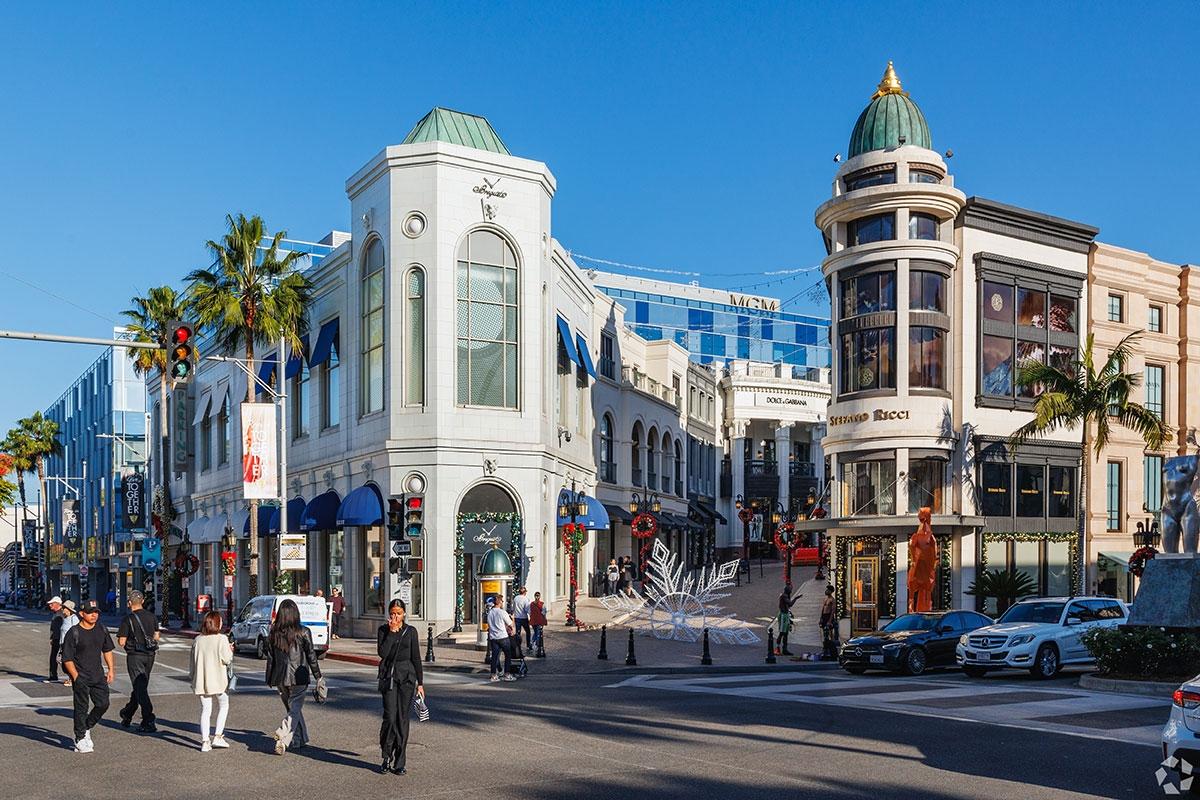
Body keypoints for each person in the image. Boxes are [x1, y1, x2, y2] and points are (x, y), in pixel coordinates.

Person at [265, 598, 322, 754]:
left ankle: (298, 739)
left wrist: (269, 678)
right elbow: (311, 656)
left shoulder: (273, 632)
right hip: (299, 676)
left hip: (280, 677)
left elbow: (270, 657)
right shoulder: (303, 631)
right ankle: (283, 734)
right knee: (294, 710)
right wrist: (318, 677)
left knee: (293, 709)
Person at [376, 599, 424, 775]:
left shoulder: (411, 632)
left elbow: (416, 658)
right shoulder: (383, 630)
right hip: (389, 677)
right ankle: (386, 755)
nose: (395, 616)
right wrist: (391, 633)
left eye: (398, 613)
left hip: (407, 678)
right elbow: (382, 653)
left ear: (404, 613)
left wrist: (421, 683)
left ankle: (400, 762)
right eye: (392, 613)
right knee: (390, 716)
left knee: (402, 719)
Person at [61, 600, 114, 752]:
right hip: (81, 677)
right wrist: (75, 677)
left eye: (96, 612)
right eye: (91, 612)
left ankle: (86, 726)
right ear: (82, 614)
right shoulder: (74, 632)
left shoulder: (101, 629)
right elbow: (67, 658)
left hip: (98, 676)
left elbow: (107, 650)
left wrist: (111, 669)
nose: (94, 615)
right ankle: (79, 738)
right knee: (81, 708)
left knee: (103, 704)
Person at [116, 590, 160, 732]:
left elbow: (121, 641)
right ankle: (127, 713)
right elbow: (157, 636)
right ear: (142, 601)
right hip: (150, 655)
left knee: (140, 687)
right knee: (140, 685)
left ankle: (148, 719)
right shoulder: (152, 617)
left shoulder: (128, 619)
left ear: (129, 603)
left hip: (135, 655)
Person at [190, 610, 234, 752]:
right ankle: (218, 736)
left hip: (202, 680)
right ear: (216, 623)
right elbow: (227, 659)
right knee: (224, 705)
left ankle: (205, 741)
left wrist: (193, 678)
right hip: (218, 680)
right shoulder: (221, 639)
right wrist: (230, 650)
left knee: (205, 710)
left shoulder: (198, 640)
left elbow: (192, 663)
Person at [486, 594, 516, 683]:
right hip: (503, 637)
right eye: (502, 601)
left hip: (493, 637)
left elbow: (490, 625)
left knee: (495, 657)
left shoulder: (490, 613)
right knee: (508, 655)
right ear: (499, 602)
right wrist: (513, 619)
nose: (503, 602)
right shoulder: (502, 612)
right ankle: (507, 674)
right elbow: (510, 624)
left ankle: (493, 675)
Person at [777, 583, 802, 656]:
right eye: (790, 589)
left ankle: (785, 649)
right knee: (782, 632)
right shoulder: (784, 596)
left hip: (785, 614)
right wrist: (796, 598)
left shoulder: (785, 595)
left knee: (786, 633)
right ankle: (778, 648)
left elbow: (787, 606)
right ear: (787, 590)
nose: (791, 591)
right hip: (783, 615)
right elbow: (790, 604)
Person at [60, 600, 79, 686]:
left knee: (69, 661)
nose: (63, 610)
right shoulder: (65, 619)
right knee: (61, 661)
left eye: (64, 608)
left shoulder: (74, 619)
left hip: (70, 645)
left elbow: (77, 632)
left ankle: (73, 679)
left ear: (69, 610)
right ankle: (70, 677)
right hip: (63, 644)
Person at [47, 595, 64, 683]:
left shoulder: (60, 614)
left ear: (58, 604)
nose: (50, 605)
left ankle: (53, 676)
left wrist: (54, 639)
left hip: (59, 640)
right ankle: (53, 675)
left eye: (52, 604)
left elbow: (59, 629)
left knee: (59, 658)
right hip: (56, 639)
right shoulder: (56, 614)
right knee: (54, 658)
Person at [819, 585, 838, 660]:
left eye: (828, 590)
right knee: (824, 633)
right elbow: (823, 609)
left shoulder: (832, 600)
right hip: (824, 617)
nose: (826, 591)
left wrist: (830, 621)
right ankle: (825, 648)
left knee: (829, 633)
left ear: (831, 591)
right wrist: (821, 618)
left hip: (829, 617)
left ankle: (831, 648)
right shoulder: (825, 599)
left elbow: (833, 611)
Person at [512, 586, 532, 651]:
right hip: (524, 618)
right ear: (524, 592)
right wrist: (531, 616)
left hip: (517, 617)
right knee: (528, 632)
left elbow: (513, 608)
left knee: (518, 632)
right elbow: (527, 609)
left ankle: (518, 646)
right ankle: (528, 645)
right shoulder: (526, 599)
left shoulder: (515, 598)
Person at [529, 591, 548, 656]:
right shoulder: (542, 604)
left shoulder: (531, 604)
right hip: (539, 621)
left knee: (536, 632)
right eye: (537, 596)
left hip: (533, 621)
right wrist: (545, 619)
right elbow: (544, 612)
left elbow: (529, 612)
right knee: (538, 634)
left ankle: (532, 642)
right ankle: (537, 646)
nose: (537, 597)